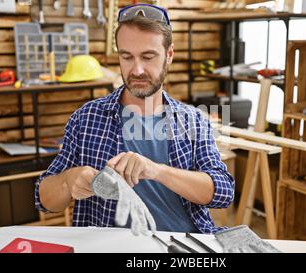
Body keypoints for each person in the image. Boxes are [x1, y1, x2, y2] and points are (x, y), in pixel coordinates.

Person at [35, 3, 234, 234]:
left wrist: (156, 171)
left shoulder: (194, 120)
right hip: (110, 247)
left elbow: (222, 192)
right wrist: (68, 180)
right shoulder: (86, 119)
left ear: (169, 55)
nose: (137, 70)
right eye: (127, 57)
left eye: (148, 56)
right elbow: (44, 199)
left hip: (184, 244)